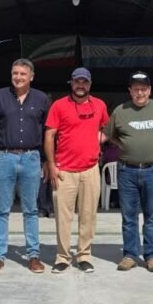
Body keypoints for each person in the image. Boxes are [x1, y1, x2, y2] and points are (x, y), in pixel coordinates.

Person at [0, 58, 50, 275]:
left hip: (31, 158)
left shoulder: (41, 99)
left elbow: (49, 132)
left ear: (31, 76)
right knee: (1, 209)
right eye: (15, 73)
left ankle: (33, 256)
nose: (18, 77)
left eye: (23, 74)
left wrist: (48, 160)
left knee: (31, 210)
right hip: (4, 157)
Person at [104, 71, 153, 273]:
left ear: (149, 90)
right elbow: (109, 135)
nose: (140, 93)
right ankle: (130, 255)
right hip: (127, 170)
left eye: (143, 89)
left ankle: (151, 256)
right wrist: (124, 144)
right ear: (130, 91)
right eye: (136, 89)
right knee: (129, 216)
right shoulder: (120, 111)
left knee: (152, 215)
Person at [44, 67, 109, 273]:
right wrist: (52, 165)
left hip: (90, 170)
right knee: (63, 217)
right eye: (77, 82)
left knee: (88, 215)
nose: (81, 85)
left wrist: (96, 142)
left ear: (90, 84)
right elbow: (49, 136)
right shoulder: (59, 106)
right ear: (71, 83)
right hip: (64, 171)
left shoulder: (99, 105)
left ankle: (84, 255)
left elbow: (106, 129)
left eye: (85, 82)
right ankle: (62, 257)